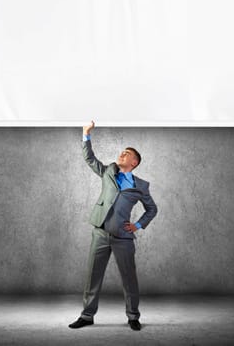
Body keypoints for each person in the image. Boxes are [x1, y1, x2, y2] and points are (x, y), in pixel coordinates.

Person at [69, 120, 158, 331]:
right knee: (93, 276)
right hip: (100, 232)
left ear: (134, 162)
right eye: (122, 152)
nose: (122, 154)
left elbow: (152, 209)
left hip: (123, 237)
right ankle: (87, 315)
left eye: (127, 153)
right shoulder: (109, 171)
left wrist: (137, 225)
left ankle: (133, 317)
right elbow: (89, 159)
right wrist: (85, 134)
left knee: (129, 278)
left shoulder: (141, 186)